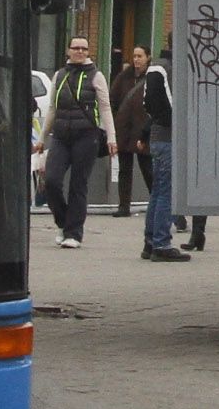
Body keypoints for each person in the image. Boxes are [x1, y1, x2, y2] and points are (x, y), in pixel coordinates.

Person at [35, 36, 117, 248]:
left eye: (84, 49)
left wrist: (111, 138)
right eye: (76, 48)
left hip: (86, 136)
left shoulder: (96, 76)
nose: (80, 52)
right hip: (61, 137)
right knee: (51, 181)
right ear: (68, 51)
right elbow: (52, 109)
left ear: (88, 52)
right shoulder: (59, 75)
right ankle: (63, 222)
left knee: (78, 185)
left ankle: (74, 234)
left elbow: (106, 108)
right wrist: (42, 139)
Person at [138, 46, 189, 261]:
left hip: (157, 134)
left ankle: (150, 242)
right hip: (170, 136)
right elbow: (177, 104)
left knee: (158, 191)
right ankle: (161, 242)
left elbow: (147, 103)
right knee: (167, 191)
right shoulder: (174, 68)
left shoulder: (156, 66)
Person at [110, 47, 149, 219]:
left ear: (148, 58)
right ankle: (123, 205)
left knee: (148, 169)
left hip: (143, 130)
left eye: (140, 56)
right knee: (124, 169)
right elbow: (112, 99)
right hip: (124, 130)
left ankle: (158, 204)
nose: (136, 60)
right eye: (134, 56)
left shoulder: (152, 77)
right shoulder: (124, 77)